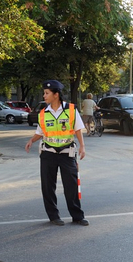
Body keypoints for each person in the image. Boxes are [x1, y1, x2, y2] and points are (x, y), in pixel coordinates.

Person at [24, 80, 89, 226]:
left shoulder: (71, 110)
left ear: (56, 94)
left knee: (71, 186)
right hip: (48, 153)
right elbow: (40, 132)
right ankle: (53, 216)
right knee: (48, 186)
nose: (44, 95)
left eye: (47, 93)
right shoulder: (43, 113)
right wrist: (31, 140)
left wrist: (82, 146)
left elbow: (78, 129)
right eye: (44, 93)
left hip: (67, 152)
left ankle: (77, 216)